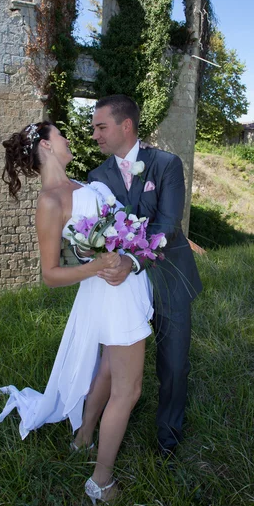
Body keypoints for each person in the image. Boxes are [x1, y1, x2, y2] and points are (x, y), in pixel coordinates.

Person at [0, 120, 155, 505]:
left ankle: (83, 437)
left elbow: (115, 228)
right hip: (110, 294)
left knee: (106, 369)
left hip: (121, 283)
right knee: (128, 390)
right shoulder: (51, 201)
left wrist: (127, 248)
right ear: (47, 147)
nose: (67, 140)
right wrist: (98, 265)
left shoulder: (85, 186)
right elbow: (51, 273)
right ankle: (101, 481)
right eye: (60, 136)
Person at [88, 94, 202, 458]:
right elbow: (96, 233)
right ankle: (105, 425)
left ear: (126, 126)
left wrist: (133, 262)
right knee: (115, 367)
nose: (94, 135)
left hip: (168, 276)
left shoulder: (167, 164)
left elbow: (168, 225)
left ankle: (168, 440)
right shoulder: (96, 177)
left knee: (173, 363)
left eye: (100, 127)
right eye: (93, 128)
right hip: (120, 291)